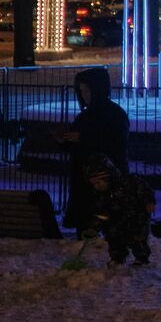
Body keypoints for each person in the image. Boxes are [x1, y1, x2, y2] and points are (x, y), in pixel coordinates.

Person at [57, 67, 129, 231]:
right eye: (81, 91)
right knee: (86, 222)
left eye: (87, 91)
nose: (84, 95)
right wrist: (64, 140)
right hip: (85, 180)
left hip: (105, 179)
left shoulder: (115, 115)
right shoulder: (84, 116)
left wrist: (82, 139)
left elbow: (116, 143)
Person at [81, 154, 155, 266]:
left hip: (135, 217)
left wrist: (149, 201)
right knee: (114, 238)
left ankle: (141, 258)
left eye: (98, 182)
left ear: (108, 177)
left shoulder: (129, 182)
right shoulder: (101, 194)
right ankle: (117, 257)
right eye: (93, 184)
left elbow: (145, 190)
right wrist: (95, 225)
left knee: (137, 238)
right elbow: (101, 211)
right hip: (115, 221)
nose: (96, 186)